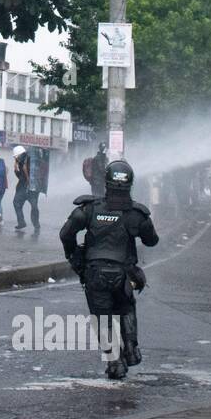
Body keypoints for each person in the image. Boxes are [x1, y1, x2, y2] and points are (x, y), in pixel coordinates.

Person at [59, 159, 159, 380]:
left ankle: (115, 362)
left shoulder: (89, 209)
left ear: (106, 182)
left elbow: (66, 234)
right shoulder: (136, 214)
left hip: (95, 274)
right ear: (130, 184)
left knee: (102, 318)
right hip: (123, 274)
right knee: (126, 307)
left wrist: (74, 256)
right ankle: (131, 348)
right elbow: (152, 241)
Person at [12, 145, 40, 233]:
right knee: (34, 206)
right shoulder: (33, 158)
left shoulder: (21, 160)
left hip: (23, 187)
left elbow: (21, 176)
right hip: (34, 188)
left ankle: (21, 222)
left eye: (15, 156)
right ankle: (36, 224)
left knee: (16, 202)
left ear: (18, 154)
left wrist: (16, 169)